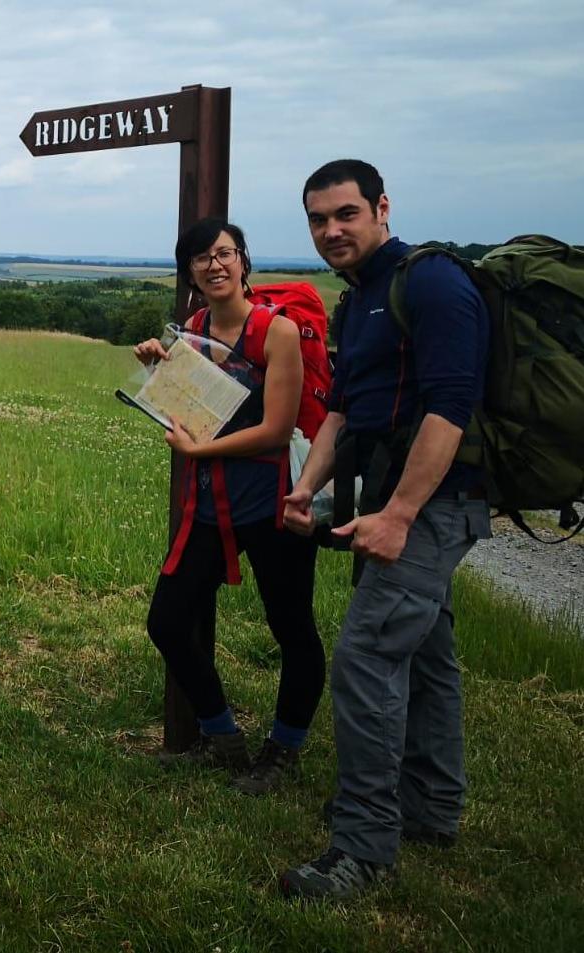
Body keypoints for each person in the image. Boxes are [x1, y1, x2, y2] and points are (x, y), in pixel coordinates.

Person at [279, 160, 491, 900]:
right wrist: (306, 489)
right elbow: (342, 409)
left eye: (344, 213)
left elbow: (450, 406)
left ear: (380, 208)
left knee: (367, 656)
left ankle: (362, 848)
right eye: (316, 219)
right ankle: (430, 807)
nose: (330, 230)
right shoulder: (360, 297)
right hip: (385, 497)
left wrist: (399, 515)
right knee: (427, 653)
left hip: (429, 503)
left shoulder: (427, 282)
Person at [134, 217, 325, 795]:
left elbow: (275, 430)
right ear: (188, 271)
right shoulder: (191, 329)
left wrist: (202, 448)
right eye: (201, 258)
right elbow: (197, 406)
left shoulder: (277, 332)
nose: (214, 265)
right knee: (167, 621)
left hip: (271, 503)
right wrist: (157, 372)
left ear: (243, 261)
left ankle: (283, 752)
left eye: (224, 253)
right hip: (211, 502)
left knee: (291, 627)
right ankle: (222, 737)